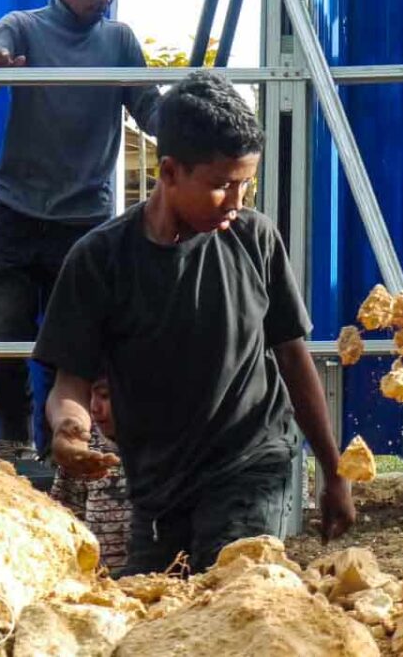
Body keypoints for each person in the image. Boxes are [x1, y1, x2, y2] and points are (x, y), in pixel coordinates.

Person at [33, 72, 355, 575]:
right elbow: (69, 381)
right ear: (169, 172)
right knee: (153, 610)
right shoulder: (99, 259)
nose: (237, 202)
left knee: (229, 589)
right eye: (222, 185)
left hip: (251, 460)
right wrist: (68, 429)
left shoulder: (256, 238)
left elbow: (293, 357)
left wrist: (333, 473)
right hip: (157, 486)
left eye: (246, 183)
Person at [0, 0, 160, 463]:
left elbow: (151, 110)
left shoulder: (119, 40)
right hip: (13, 212)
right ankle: (15, 441)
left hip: (83, 219)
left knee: (73, 343)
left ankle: (63, 446)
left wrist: (195, 112)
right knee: (4, 333)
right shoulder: (22, 26)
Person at [50, 377, 131, 574]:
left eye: (105, 396)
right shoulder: (84, 448)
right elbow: (64, 523)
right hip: (101, 588)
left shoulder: (169, 449)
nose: (95, 407)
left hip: (163, 584)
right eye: (89, 397)